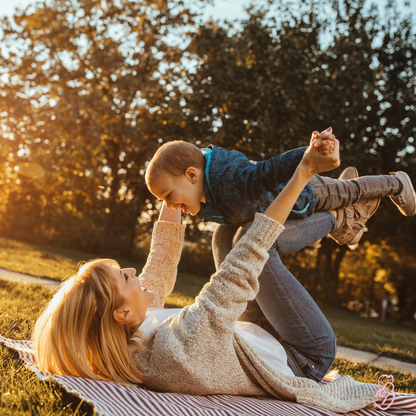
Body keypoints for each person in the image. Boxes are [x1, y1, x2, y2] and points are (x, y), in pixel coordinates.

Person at [33, 138, 383, 414]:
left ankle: (341, 218)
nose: (130, 270)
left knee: (222, 234)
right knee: (247, 235)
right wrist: (303, 172)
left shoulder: (130, 333)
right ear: (121, 312)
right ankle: (342, 219)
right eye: (123, 278)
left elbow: (161, 262)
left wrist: (172, 190)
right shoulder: (177, 349)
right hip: (303, 355)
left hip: (257, 337)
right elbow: (249, 254)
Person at [145, 130, 416, 245]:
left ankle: (396, 183)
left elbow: (270, 169)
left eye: (168, 196)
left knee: (351, 192)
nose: (169, 206)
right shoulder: (210, 195)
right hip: (292, 210)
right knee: (346, 191)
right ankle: (346, 210)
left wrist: (311, 152)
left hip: (308, 192)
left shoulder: (230, 179)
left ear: (192, 175)